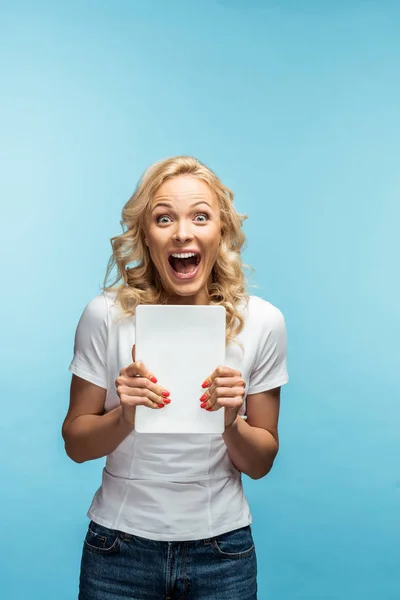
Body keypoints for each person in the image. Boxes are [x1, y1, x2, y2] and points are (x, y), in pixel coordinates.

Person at [62, 155, 289, 600]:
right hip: (118, 550)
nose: (183, 232)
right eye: (164, 218)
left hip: (223, 553)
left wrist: (230, 423)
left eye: (200, 217)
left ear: (220, 230)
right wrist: (124, 417)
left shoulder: (262, 322)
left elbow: (260, 463)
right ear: (146, 236)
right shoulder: (105, 316)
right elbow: (74, 444)